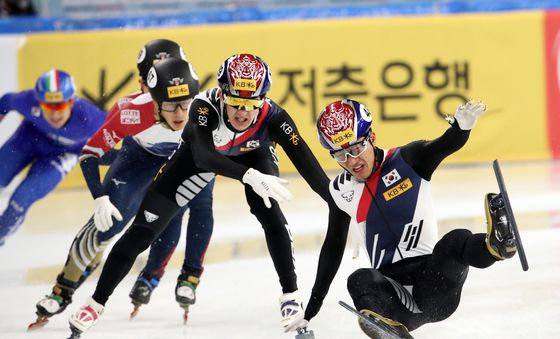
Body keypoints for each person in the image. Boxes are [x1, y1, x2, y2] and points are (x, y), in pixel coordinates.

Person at [67, 53, 343, 337]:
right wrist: (248, 175)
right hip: (198, 161)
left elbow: (307, 163)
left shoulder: (274, 117)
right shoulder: (203, 108)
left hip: (254, 155)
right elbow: (202, 156)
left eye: (252, 104)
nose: (243, 112)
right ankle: (95, 303)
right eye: (236, 102)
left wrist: (335, 203)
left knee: (269, 211)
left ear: (263, 100)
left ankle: (290, 297)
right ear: (222, 95)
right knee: (142, 232)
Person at [286, 99, 517, 338]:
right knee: (359, 278)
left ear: (371, 137)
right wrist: (312, 307)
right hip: (394, 300)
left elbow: (445, 145)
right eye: (340, 155)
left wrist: (461, 128)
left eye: (355, 149)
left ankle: (497, 246)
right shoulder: (339, 191)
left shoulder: (408, 159)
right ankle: (390, 331)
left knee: (455, 240)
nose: (351, 161)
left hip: (434, 285)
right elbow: (333, 246)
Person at [30, 41, 214, 329]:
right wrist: (100, 196)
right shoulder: (131, 111)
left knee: (192, 209)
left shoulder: (206, 112)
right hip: (140, 157)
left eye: (185, 104)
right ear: (149, 94)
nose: (179, 114)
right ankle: (63, 289)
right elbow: (92, 152)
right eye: (169, 105)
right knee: (106, 226)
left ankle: (173, 275)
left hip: (186, 159)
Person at [0, 69, 106, 246]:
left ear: (71, 102)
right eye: (48, 106)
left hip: (63, 154)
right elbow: (6, 101)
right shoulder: (28, 101)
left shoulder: (91, 119)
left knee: (20, 201)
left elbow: (123, 130)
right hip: (28, 138)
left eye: (60, 106)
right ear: (39, 102)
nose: (54, 114)